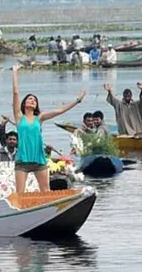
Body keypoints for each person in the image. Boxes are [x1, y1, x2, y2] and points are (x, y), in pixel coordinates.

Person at [12, 64, 86, 193]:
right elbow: (15, 92)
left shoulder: (39, 118)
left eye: (34, 100)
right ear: (24, 104)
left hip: (39, 159)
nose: (32, 100)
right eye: (29, 99)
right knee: (20, 193)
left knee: (45, 190)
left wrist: (78, 100)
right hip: (22, 160)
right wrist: (15, 72)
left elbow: (60, 110)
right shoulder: (19, 117)